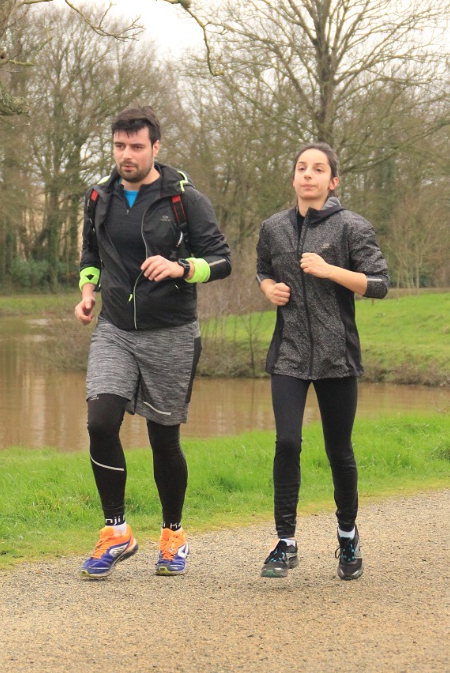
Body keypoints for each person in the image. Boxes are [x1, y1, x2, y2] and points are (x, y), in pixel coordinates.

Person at [75, 105, 231, 579]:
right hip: (115, 329)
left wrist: (180, 267)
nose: (127, 154)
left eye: (137, 146)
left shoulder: (184, 199)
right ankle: (116, 532)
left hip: (171, 332)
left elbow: (221, 260)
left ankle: (173, 535)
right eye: (119, 146)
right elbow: (91, 253)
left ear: (156, 148)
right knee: (101, 422)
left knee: (164, 439)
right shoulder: (98, 196)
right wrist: (87, 292)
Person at [256, 142, 388, 581]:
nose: (308, 175)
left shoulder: (352, 226)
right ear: (293, 177)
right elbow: (262, 268)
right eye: (301, 168)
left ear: (333, 181)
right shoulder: (273, 228)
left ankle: (347, 535)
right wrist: (268, 288)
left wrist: (331, 270)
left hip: (337, 356)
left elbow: (379, 283)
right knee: (287, 443)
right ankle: (285, 542)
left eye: (317, 169)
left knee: (339, 450)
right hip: (289, 353)